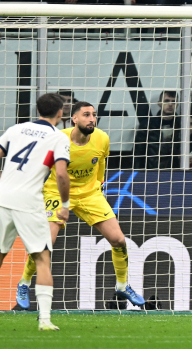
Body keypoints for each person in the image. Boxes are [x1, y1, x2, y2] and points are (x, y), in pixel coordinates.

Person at [15, 101, 146, 310]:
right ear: (74, 119)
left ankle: (122, 286)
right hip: (57, 191)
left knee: (118, 239)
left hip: (89, 194)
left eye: (94, 115)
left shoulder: (102, 138)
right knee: (46, 243)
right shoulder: (58, 140)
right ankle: (24, 283)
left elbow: (101, 163)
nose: (91, 119)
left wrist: (100, 185)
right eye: (86, 115)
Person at [0, 93, 70, 331]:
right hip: (29, 201)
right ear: (60, 113)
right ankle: (45, 320)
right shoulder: (58, 137)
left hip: (3, 199)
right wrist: (65, 206)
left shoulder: (16, 129)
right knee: (42, 258)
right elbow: (60, 174)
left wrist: (3, 185)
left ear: (38, 110)